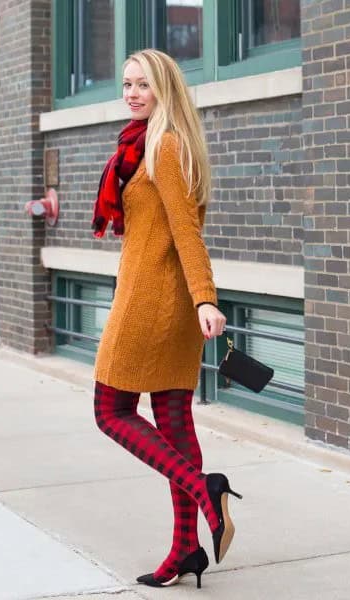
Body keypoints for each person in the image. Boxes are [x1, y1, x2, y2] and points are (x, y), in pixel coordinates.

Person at [91, 48, 242, 589]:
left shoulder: (164, 143)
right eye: (127, 84)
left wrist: (205, 297)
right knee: (175, 427)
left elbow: (186, 232)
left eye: (143, 85)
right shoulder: (143, 143)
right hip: (161, 301)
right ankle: (186, 547)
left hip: (153, 303)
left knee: (110, 411)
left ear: (165, 90)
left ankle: (206, 491)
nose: (132, 93)